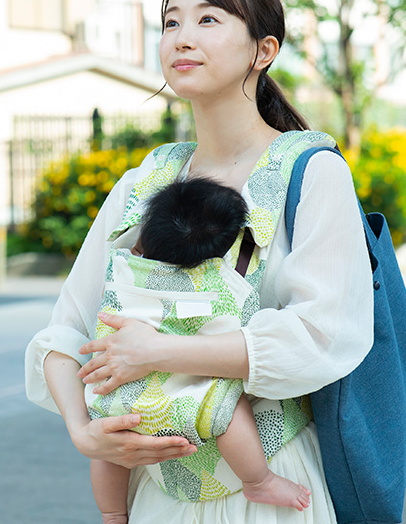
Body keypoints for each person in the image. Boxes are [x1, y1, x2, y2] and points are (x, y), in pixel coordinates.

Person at [25, 0, 373, 523]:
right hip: (156, 494)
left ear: (263, 51)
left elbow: (321, 334)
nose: (181, 37)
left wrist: (160, 351)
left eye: (208, 19)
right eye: (170, 22)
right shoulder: (146, 180)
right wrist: (85, 432)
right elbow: (66, 329)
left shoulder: (311, 172)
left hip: (272, 488)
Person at [89, 177, 311, 524]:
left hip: (118, 395)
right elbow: (231, 337)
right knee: (228, 411)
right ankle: (259, 481)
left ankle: (112, 513)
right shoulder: (215, 285)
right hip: (185, 404)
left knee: (110, 450)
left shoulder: (123, 270)